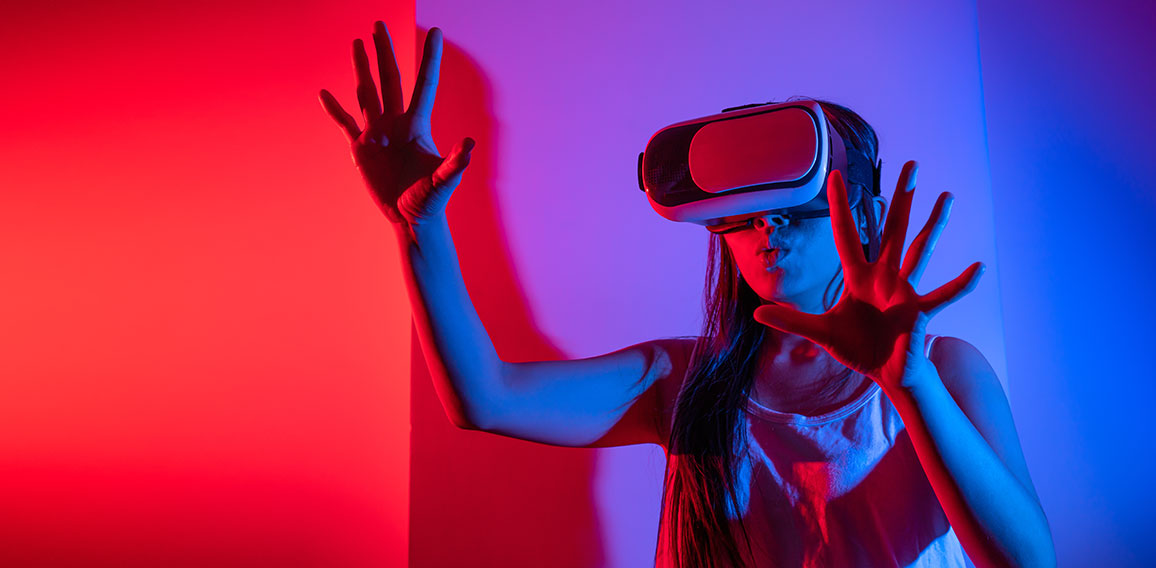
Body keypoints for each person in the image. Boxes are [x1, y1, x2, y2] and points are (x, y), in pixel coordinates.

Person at [319, 22, 1056, 568]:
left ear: (857, 212)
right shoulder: (686, 382)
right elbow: (486, 398)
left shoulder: (946, 371)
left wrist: (911, 385)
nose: (767, 227)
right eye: (743, 210)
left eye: (796, 204)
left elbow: (1028, 563)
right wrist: (421, 233)